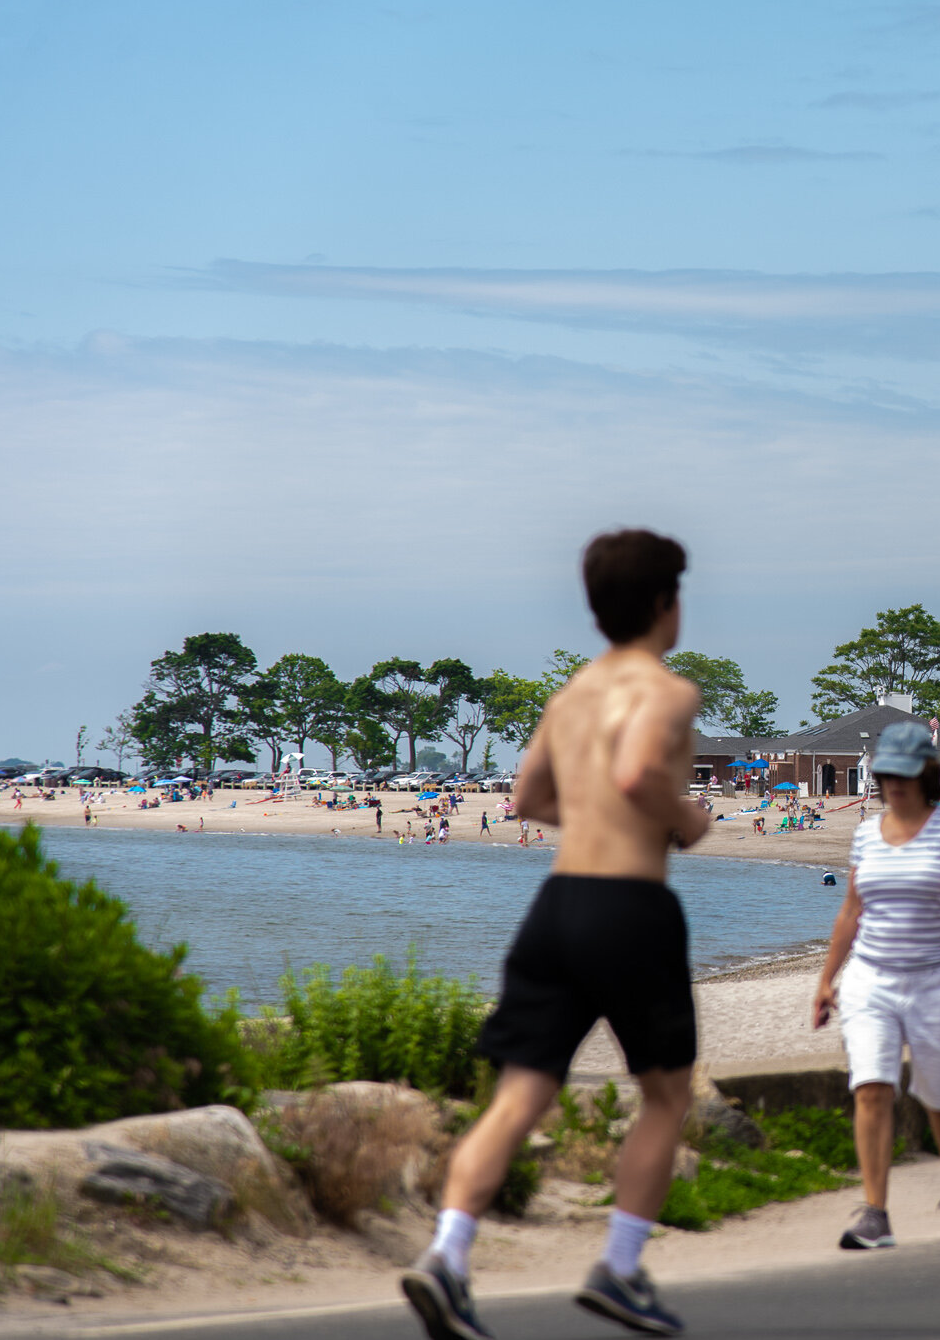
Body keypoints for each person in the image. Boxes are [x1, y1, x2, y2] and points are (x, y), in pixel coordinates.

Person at [401, 529, 707, 1340]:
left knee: (519, 1094)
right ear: (663, 603)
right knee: (666, 1094)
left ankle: (448, 1254)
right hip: (631, 906)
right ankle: (620, 1265)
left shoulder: (572, 694)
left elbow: (528, 797)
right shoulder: (667, 691)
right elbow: (638, 773)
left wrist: (599, 813)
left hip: (557, 903)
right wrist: (687, 818)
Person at [812, 721, 940, 1250]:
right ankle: (875, 1213)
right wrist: (826, 980)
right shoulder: (866, 833)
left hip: (937, 981)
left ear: (925, 775)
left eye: (903, 774)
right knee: (871, 1086)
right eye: (886, 774)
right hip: (870, 978)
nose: (893, 784)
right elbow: (851, 911)